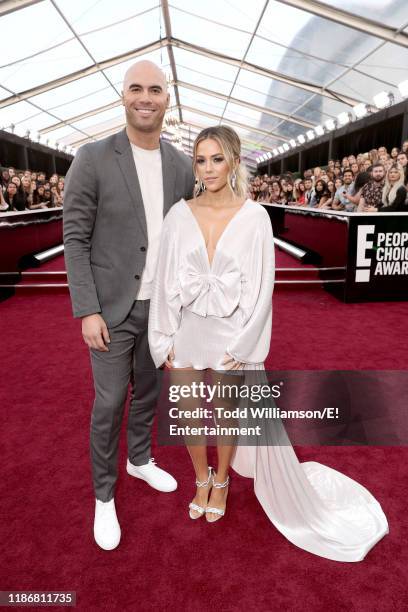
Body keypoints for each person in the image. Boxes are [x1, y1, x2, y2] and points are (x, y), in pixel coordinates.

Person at [148, 125, 389, 562]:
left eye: (216, 158)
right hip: (184, 330)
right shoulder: (178, 213)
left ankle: (220, 482)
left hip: (230, 336)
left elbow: (263, 290)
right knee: (186, 413)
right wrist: (160, 337)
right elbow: (163, 280)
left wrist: (243, 346)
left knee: (224, 416)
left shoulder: (255, 217)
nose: (207, 168)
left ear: (235, 161)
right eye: (200, 160)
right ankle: (200, 478)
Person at [63, 60, 195, 551]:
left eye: (155, 89)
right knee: (112, 400)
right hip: (110, 310)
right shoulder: (92, 157)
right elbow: (74, 237)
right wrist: (87, 309)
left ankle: (140, 459)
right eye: (136, 88)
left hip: (162, 310)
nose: (146, 97)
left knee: (150, 394)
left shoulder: (182, 165)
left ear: (167, 99)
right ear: (122, 96)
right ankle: (103, 495)